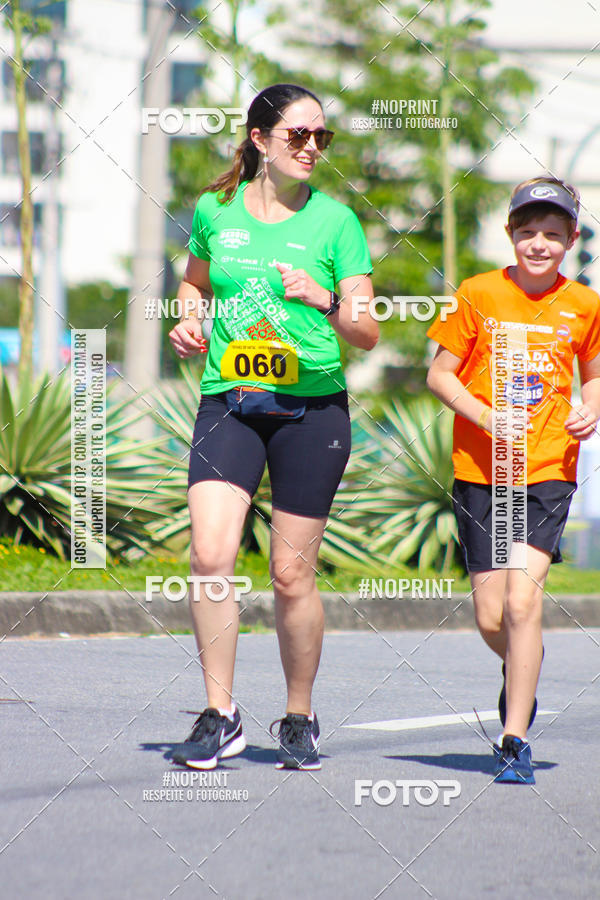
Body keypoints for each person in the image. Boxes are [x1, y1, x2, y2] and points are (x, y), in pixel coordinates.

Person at [168, 83, 378, 771]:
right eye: (299, 136)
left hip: (311, 409)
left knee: (290, 574)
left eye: (323, 137)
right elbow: (195, 282)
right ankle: (220, 713)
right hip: (230, 398)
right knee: (210, 557)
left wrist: (325, 299)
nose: (313, 147)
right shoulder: (214, 211)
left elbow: (368, 332)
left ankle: (298, 714)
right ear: (260, 140)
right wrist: (189, 317)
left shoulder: (337, 223)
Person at [426, 176, 600, 783]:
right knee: (493, 617)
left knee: (525, 601)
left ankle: (513, 737)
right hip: (483, 470)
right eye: (527, 232)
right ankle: (526, 664)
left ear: (571, 240)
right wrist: (483, 415)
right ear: (510, 234)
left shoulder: (584, 304)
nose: (539, 243)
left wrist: (592, 405)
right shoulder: (477, 294)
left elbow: (594, 374)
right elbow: (440, 376)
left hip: (548, 469)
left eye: (553, 234)